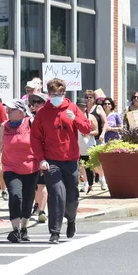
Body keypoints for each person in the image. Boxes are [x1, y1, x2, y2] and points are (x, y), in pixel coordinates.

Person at [30, 79, 92, 244]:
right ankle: (55, 232)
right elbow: (35, 138)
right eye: (53, 94)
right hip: (52, 161)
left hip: (71, 160)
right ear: (48, 95)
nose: (56, 97)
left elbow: (87, 129)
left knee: (71, 196)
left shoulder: (72, 108)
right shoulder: (43, 113)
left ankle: (71, 219)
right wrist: (41, 159)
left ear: (64, 93)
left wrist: (76, 120)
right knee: (57, 194)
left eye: (59, 94)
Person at [0, 99, 39, 242]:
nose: (7, 112)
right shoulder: (4, 126)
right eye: (7, 109)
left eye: (11, 110)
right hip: (10, 168)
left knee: (28, 199)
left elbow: (41, 143)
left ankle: (24, 228)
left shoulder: (31, 123)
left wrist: (43, 161)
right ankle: (15, 229)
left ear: (21, 113)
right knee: (16, 196)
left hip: (31, 167)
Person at [28, 93, 48, 223]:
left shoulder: (48, 119)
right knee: (34, 185)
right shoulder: (29, 119)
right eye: (34, 102)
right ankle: (37, 205)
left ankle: (42, 210)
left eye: (39, 102)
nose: (36, 104)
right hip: (30, 156)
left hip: (44, 155)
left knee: (42, 184)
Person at [84, 90, 107, 189]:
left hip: (97, 138)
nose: (88, 99)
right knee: (85, 162)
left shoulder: (98, 108)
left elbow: (105, 123)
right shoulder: (83, 110)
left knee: (97, 161)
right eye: (87, 97)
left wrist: (102, 134)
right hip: (85, 139)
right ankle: (88, 182)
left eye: (90, 97)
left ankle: (102, 179)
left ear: (94, 99)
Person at [76, 98, 99, 193]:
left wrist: (88, 133)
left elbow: (96, 131)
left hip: (88, 145)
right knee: (81, 166)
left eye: (82, 106)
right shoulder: (73, 117)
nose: (80, 108)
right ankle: (86, 184)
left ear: (86, 107)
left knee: (89, 166)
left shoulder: (90, 118)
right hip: (77, 146)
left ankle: (92, 181)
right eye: (79, 106)